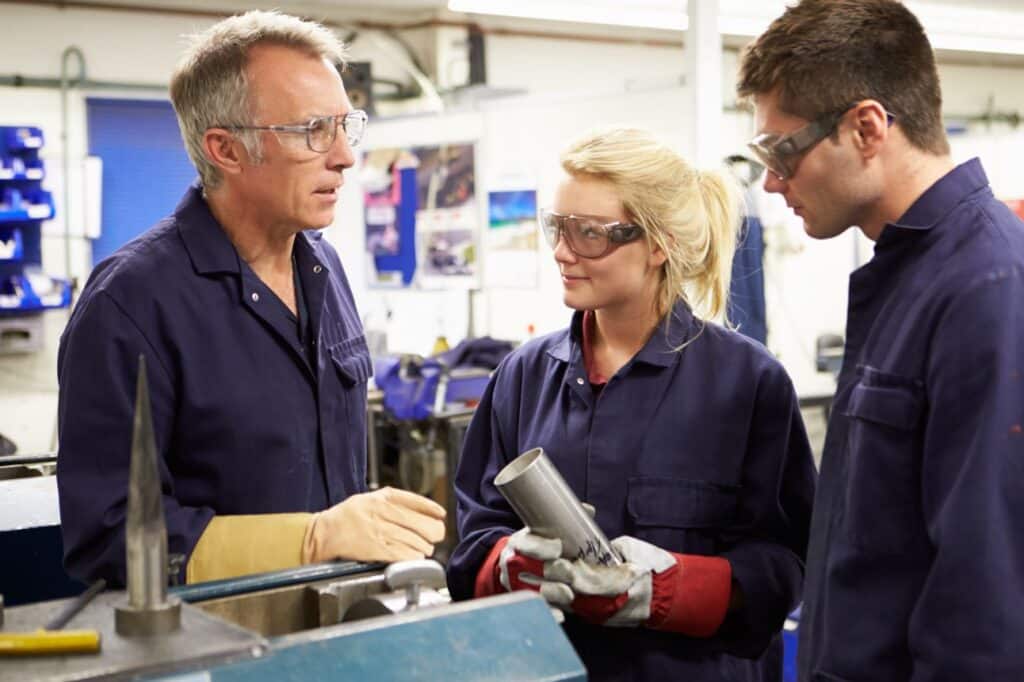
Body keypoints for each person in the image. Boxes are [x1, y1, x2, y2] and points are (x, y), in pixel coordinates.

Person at [57, 10, 444, 587]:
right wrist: (310, 540)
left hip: (341, 618)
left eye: (346, 125)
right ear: (227, 150)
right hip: (218, 635)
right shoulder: (130, 306)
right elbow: (109, 540)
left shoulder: (323, 268)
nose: (345, 155)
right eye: (314, 130)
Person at [446, 127, 817, 681]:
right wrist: (506, 564)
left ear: (658, 245)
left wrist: (671, 589)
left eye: (589, 234)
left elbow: (785, 564)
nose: (562, 251)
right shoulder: (522, 377)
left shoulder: (748, 383)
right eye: (557, 227)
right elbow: (473, 538)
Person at [738, 1, 1024, 679]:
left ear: (866, 128)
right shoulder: (906, 276)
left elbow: (986, 599)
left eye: (782, 151)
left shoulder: (987, 287)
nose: (772, 181)